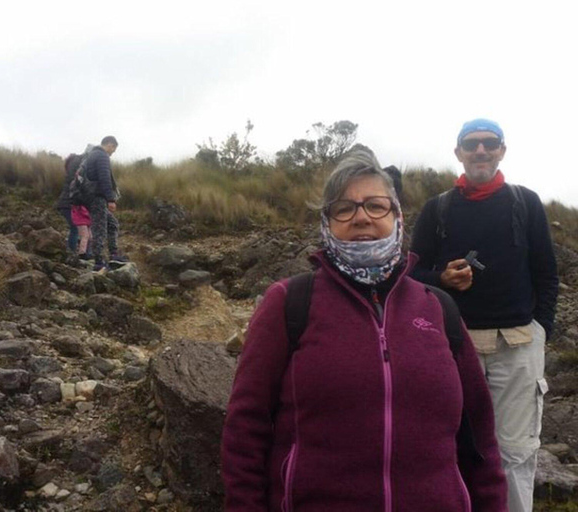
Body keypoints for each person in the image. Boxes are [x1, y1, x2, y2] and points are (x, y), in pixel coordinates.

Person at [221, 150, 507, 511]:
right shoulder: (288, 303)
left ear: (398, 216)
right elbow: (245, 429)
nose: (361, 218)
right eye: (344, 208)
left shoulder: (439, 309)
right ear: (327, 222)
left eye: (376, 205)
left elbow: (480, 437)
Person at [410, 119, 558, 511]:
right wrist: (441, 278)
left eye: (489, 143)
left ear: (502, 151)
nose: (480, 151)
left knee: (515, 453)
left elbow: (546, 272)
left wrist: (543, 328)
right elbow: (410, 274)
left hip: (520, 344)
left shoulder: (525, 203)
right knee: (451, 447)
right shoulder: (436, 209)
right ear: (458, 152)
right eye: (471, 144)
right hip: (454, 346)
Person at [82, 136, 126, 271]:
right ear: (109, 144)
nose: (113, 152)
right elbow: (104, 177)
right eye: (113, 149)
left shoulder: (91, 155)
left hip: (91, 196)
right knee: (99, 229)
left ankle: (113, 254)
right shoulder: (102, 156)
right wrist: (110, 199)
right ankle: (99, 261)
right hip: (97, 197)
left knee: (112, 224)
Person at [56, 145, 91, 252]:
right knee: (76, 227)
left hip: (67, 202)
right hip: (70, 203)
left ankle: (77, 252)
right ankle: (74, 252)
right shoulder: (82, 164)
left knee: (76, 228)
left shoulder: (75, 162)